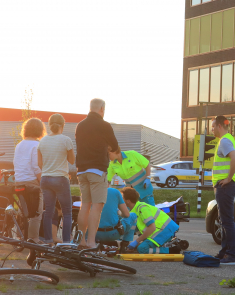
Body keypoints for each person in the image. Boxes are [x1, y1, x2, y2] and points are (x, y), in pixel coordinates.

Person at [75, 98, 119, 249]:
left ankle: (81, 241)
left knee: (85, 205)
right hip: (97, 170)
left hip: (81, 170)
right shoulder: (104, 125)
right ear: (102, 109)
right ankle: (91, 242)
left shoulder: (80, 125)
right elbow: (115, 146)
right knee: (97, 207)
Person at [38, 114, 75, 244]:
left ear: (49, 125)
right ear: (62, 125)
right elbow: (71, 160)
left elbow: (39, 163)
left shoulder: (42, 141)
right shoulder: (66, 140)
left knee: (48, 211)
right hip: (60, 179)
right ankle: (66, 243)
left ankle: (48, 240)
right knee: (67, 212)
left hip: (45, 179)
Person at [211, 115, 235, 265]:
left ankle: (230, 255)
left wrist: (229, 178)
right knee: (224, 220)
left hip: (226, 186)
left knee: (227, 221)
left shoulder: (224, 141)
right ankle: (224, 252)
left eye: (212, 126)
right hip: (226, 186)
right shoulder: (229, 139)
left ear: (219, 126)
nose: (211, 129)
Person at [13, 118, 45, 242]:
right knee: (36, 212)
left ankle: (19, 236)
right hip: (32, 182)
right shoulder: (37, 145)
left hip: (19, 180)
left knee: (22, 210)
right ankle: (33, 238)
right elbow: (36, 166)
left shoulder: (19, 145)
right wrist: (42, 182)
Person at [122, 187, 179, 254]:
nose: (120, 200)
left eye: (121, 198)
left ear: (128, 201)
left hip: (164, 231)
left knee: (142, 249)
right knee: (139, 247)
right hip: (160, 230)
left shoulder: (142, 208)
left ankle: (171, 250)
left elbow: (152, 228)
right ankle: (164, 246)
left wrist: (137, 241)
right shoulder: (134, 211)